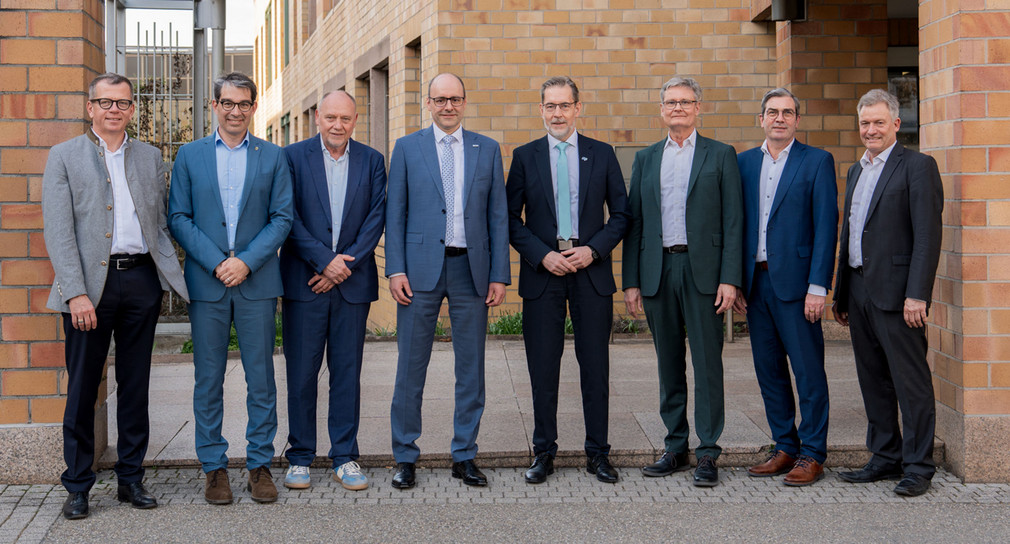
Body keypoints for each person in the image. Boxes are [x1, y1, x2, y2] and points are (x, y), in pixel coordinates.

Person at [42, 72, 189, 520]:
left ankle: (131, 478)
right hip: (90, 289)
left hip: (140, 281)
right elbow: (59, 232)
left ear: (131, 109)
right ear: (90, 107)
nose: (114, 110)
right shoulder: (64, 156)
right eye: (105, 102)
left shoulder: (149, 156)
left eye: (123, 103)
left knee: (136, 384)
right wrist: (75, 293)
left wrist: (167, 277)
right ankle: (78, 484)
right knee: (83, 387)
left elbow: (158, 221)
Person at [168, 72, 293, 505]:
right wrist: (218, 262)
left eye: (243, 104)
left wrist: (246, 262)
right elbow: (178, 217)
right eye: (227, 103)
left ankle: (259, 464)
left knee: (261, 379)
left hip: (257, 282)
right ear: (214, 106)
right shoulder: (190, 155)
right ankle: (213, 467)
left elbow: (282, 217)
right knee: (208, 379)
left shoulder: (273, 156)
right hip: (209, 283)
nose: (235, 111)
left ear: (254, 107)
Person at [386, 73, 510, 489]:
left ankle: (465, 454)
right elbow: (395, 213)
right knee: (410, 366)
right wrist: (396, 269)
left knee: (471, 368)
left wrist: (499, 274)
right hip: (419, 271)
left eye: (454, 99)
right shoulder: (407, 148)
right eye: (440, 99)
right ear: (428, 103)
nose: (447, 106)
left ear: (464, 102)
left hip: (470, 270)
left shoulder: (486, 149)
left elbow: (498, 216)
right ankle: (405, 456)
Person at [506, 76, 629, 484]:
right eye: (550, 106)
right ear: (541, 110)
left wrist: (593, 250)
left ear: (578, 108)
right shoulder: (525, 157)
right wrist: (542, 255)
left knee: (595, 368)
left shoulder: (602, 153)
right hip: (543, 274)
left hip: (590, 272)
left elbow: (622, 215)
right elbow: (509, 219)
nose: (557, 113)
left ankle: (598, 454)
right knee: (543, 369)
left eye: (564, 105)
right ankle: (543, 452)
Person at [622, 76, 743, 487]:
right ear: (661, 110)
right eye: (671, 102)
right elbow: (635, 223)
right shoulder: (646, 158)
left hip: (703, 272)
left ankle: (708, 452)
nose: (678, 108)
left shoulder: (721, 155)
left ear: (698, 108)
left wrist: (730, 278)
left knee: (707, 363)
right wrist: (631, 281)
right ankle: (675, 446)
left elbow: (733, 221)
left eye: (685, 102)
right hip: (658, 270)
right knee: (668, 363)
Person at [833, 89, 943, 497]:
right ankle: (884, 456)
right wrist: (842, 293)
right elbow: (851, 233)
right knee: (873, 379)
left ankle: (918, 467)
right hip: (859, 288)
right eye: (865, 123)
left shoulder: (917, 166)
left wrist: (918, 295)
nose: (871, 130)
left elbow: (927, 237)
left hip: (899, 296)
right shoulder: (856, 170)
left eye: (879, 122)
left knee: (910, 382)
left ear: (896, 123)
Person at [279, 90, 386, 491]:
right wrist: (325, 261)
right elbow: (287, 217)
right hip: (304, 282)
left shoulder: (372, 161)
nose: (337, 125)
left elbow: (376, 218)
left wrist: (342, 267)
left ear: (355, 120)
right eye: (330, 117)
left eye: (345, 118)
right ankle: (300, 456)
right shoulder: (292, 158)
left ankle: (344, 455)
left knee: (346, 373)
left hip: (351, 285)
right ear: (317, 118)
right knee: (301, 374)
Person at [733, 88, 838, 486]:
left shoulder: (817, 161)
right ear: (761, 118)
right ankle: (785, 446)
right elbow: (736, 224)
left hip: (798, 286)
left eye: (787, 112)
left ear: (797, 120)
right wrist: (736, 281)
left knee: (808, 372)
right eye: (773, 112)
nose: (780, 118)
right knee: (769, 370)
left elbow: (826, 226)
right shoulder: (743, 162)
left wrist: (818, 286)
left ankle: (813, 453)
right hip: (756, 284)